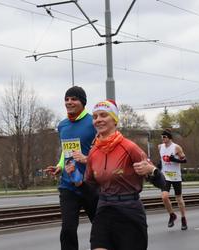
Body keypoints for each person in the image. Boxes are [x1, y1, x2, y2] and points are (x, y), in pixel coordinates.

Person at [67, 100, 165, 250]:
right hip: (104, 210)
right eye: (95, 116)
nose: (98, 120)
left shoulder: (130, 148)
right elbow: (91, 190)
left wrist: (153, 172)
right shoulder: (94, 152)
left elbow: (162, 183)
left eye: (103, 115)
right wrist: (78, 181)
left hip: (129, 212)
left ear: (114, 120)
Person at [45, 86, 98, 250]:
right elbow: (65, 152)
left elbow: (103, 150)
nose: (69, 102)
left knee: (100, 228)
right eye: (67, 99)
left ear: (82, 102)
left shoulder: (93, 122)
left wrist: (86, 159)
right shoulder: (62, 126)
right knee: (67, 230)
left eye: (74, 99)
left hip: (90, 184)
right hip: (68, 185)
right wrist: (59, 167)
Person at [158, 128, 188, 230]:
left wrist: (174, 159)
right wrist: (158, 167)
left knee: (179, 199)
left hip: (175, 176)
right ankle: (172, 215)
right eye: (162, 137)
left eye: (164, 137)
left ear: (169, 138)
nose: (163, 138)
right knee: (164, 197)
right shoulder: (160, 147)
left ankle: (183, 219)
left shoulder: (176, 147)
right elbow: (161, 160)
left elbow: (184, 160)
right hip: (165, 175)